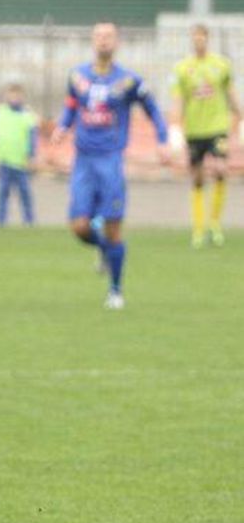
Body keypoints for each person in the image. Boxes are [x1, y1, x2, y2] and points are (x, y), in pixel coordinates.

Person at [51, 22, 169, 310]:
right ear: (93, 41)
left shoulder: (129, 81)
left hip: (111, 161)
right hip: (83, 161)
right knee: (79, 226)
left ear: (117, 43)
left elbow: (152, 108)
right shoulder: (77, 76)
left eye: (109, 36)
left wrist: (163, 139)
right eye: (99, 36)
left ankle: (115, 291)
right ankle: (104, 250)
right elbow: (70, 106)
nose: (104, 40)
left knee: (114, 227)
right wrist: (62, 126)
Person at [169, 23, 241, 249]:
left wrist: (240, 115)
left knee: (220, 170)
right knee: (198, 178)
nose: (198, 41)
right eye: (195, 37)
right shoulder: (183, 68)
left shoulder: (221, 65)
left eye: (202, 37)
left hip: (217, 126)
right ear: (191, 40)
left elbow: (231, 94)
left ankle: (215, 224)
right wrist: (175, 126)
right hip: (194, 129)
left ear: (207, 39)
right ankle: (198, 229)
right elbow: (178, 99)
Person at [0, 82, 38, 227]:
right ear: (6, 97)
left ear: (23, 97)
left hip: (21, 162)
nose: (14, 99)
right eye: (12, 96)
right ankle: (0, 222)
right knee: (3, 192)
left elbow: (32, 138)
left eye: (17, 96)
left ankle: (29, 221)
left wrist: (31, 156)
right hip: (3, 160)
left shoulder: (28, 116)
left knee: (24, 193)